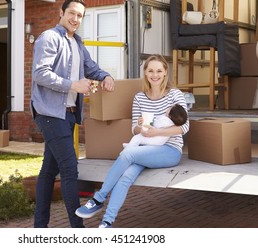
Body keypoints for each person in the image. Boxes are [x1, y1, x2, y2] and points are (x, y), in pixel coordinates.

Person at [75, 54, 189, 228]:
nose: (155, 75)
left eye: (159, 70)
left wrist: (157, 131)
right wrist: (140, 125)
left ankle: (99, 198)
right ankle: (107, 222)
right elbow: (134, 130)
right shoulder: (139, 98)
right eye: (151, 70)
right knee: (126, 177)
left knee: (128, 153)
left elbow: (185, 127)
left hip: (169, 150)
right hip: (144, 149)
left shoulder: (175, 95)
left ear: (165, 72)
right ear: (145, 72)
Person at [30, 0, 115, 228]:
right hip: (49, 113)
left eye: (80, 16)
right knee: (69, 169)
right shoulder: (49, 38)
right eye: (72, 13)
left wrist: (105, 76)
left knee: (49, 170)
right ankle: (78, 229)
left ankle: (40, 227)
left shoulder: (77, 43)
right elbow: (40, 74)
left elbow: (91, 68)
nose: (75, 19)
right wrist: (73, 85)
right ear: (61, 12)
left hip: (68, 114)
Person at [123, 103, 187, 148]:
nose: (168, 108)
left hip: (156, 139)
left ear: (169, 115)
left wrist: (148, 121)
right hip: (159, 141)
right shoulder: (172, 123)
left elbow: (156, 124)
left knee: (137, 138)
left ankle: (129, 148)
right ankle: (131, 146)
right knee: (140, 140)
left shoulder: (165, 119)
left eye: (170, 108)